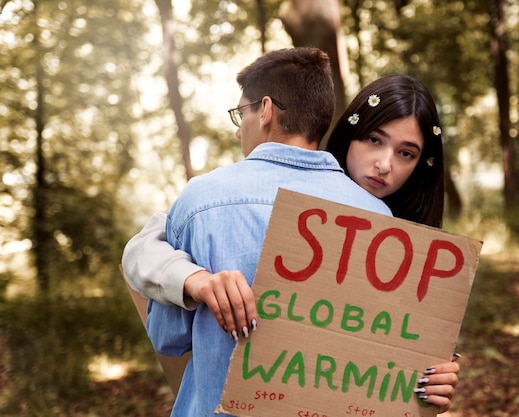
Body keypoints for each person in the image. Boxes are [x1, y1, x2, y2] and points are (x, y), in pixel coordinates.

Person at [123, 52, 459, 415]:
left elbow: (168, 338)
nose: (384, 164)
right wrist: (194, 278)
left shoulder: (203, 199)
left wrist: (426, 386)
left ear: (265, 109)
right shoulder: (383, 225)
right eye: (375, 140)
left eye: (406, 153)